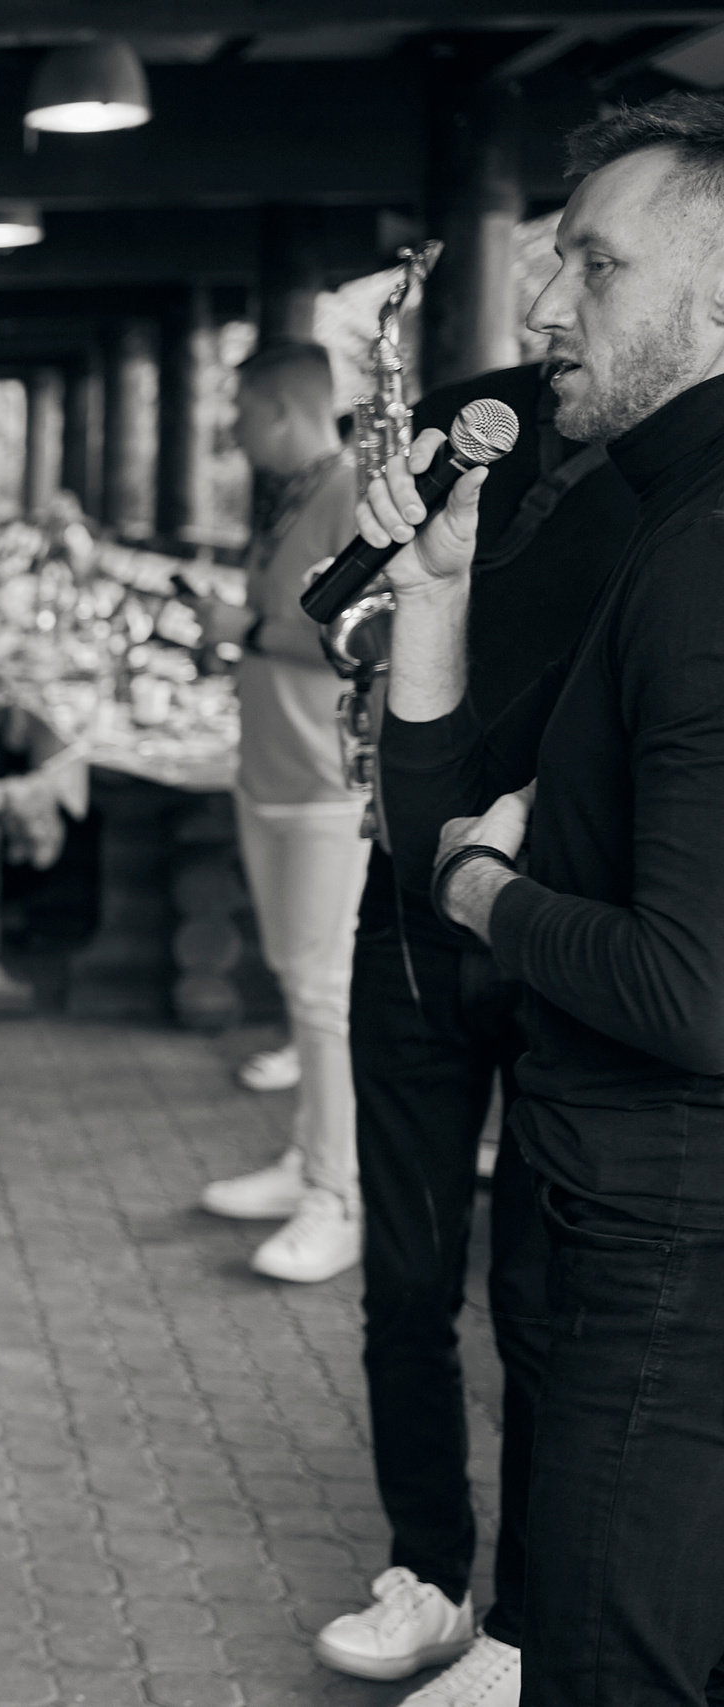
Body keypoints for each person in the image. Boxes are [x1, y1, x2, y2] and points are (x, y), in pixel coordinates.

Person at [373, 93, 724, 1707]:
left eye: (596, 262)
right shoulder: (667, 516)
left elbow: (694, 990)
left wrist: (492, 894)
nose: (538, 306)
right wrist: (432, 602)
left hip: (673, 1247)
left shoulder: (708, 553)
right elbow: (431, 835)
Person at [307, 361, 629, 1705]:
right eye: (552, 269)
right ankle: (424, 1571)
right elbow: (344, 608)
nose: (555, 305)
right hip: (408, 902)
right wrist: (373, 597)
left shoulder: (671, 456)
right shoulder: (470, 410)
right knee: (406, 1274)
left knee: (542, 1299)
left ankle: (523, 1620)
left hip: (561, 904)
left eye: (587, 271)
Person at [186, 344, 373, 1285]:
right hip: (270, 768)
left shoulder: (351, 489)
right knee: (300, 984)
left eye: (241, 409)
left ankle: (340, 1196)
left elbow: (362, 635)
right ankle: (310, 1159)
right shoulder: (292, 497)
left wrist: (246, 629)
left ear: (281, 408)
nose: (232, 428)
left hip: (324, 778)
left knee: (322, 991)